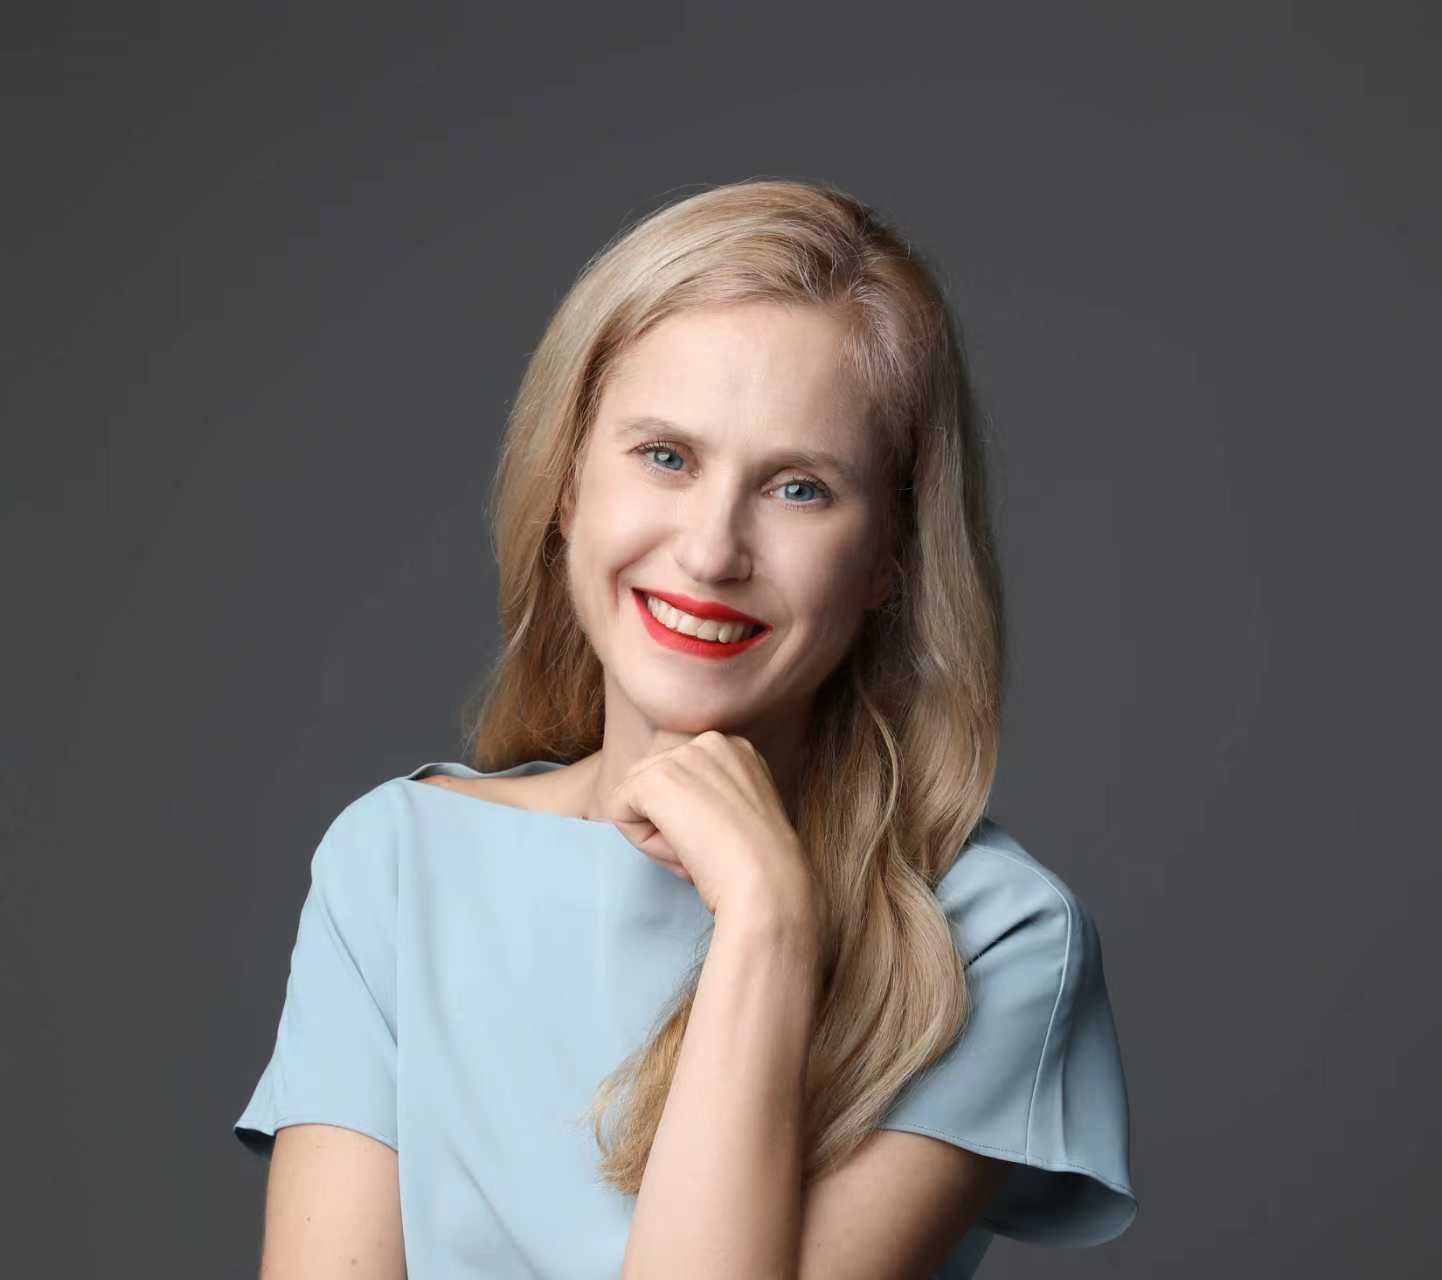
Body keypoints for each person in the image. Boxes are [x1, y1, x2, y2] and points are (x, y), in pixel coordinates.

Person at [233, 177, 1139, 1278]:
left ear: (888, 557)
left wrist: (767, 923)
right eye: (665, 455)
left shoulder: (989, 940)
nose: (712, 551)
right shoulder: (396, 864)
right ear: (567, 481)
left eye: (798, 487)